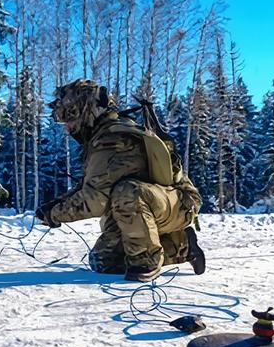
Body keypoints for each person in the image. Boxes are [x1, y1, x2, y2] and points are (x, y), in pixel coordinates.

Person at [35, 79, 205, 282]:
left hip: (180, 204)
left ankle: (147, 260)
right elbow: (93, 185)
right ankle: (181, 245)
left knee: (127, 192)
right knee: (105, 262)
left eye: (69, 118)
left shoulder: (113, 140)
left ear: (85, 111)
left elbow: (95, 200)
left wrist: (54, 214)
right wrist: (56, 205)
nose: (68, 128)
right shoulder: (102, 137)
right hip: (156, 204)